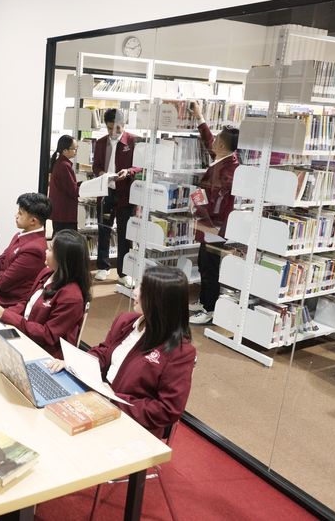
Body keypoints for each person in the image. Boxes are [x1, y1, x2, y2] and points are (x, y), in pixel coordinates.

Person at [49, 266, 196, 437]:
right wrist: (74, 363)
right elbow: (103, 353)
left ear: (159, 300)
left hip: (131, 424)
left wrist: (115, 399)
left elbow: (167, 410)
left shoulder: (180, 352)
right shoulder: (126, 321)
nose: (135, 292)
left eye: (143, 289)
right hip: (98, 401)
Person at [0, 229, 91, 358]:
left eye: (50, 250)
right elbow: (26, 303)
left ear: (63, 259)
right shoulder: (47, 273)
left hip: (42, 352)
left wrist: (7, 316)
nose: (46, 251)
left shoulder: (72, 297)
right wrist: (1, 312)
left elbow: (47, 335)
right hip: (24, 335)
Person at [187, 102, 240, 324]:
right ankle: (204, 301)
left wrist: (199, 207)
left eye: (217, 139)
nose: (213, 141)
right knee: (204, 262)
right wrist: (200, 117)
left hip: (214, 226)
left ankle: (209, 310)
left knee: (210, 267)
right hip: (210, 225)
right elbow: (209, 141)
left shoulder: (228, 171)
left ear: (222, 144)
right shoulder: (225, 159)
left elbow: (218, 202)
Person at [92, 108, 142, 287]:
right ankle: (103, 266)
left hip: (125, 194)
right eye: (109, 128)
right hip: (106, 192)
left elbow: (141, 166)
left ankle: (123, 272)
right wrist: (101, 173)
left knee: (124, 234)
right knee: (104, 230)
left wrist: (128, 171)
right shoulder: (100, 143)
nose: (113, 132)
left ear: (124, 124)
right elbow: (96, 165)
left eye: (117, 128)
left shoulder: (134, 141)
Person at [0, 193, 50, 308]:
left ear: (33, 221)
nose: (16, 215)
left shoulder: (34, 249)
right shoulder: (20, 235)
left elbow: (3, 283)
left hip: (8, 304)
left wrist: (0, 273)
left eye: (20, 213)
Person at [48, 135, 80, 233]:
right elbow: (73, 190)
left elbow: (69, 185)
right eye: (74, 149)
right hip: (65, 214)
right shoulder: (64, 166)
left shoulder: (60, 163)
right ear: (65, 150)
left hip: (60, 213)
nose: (76, 151)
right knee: (66, 240)